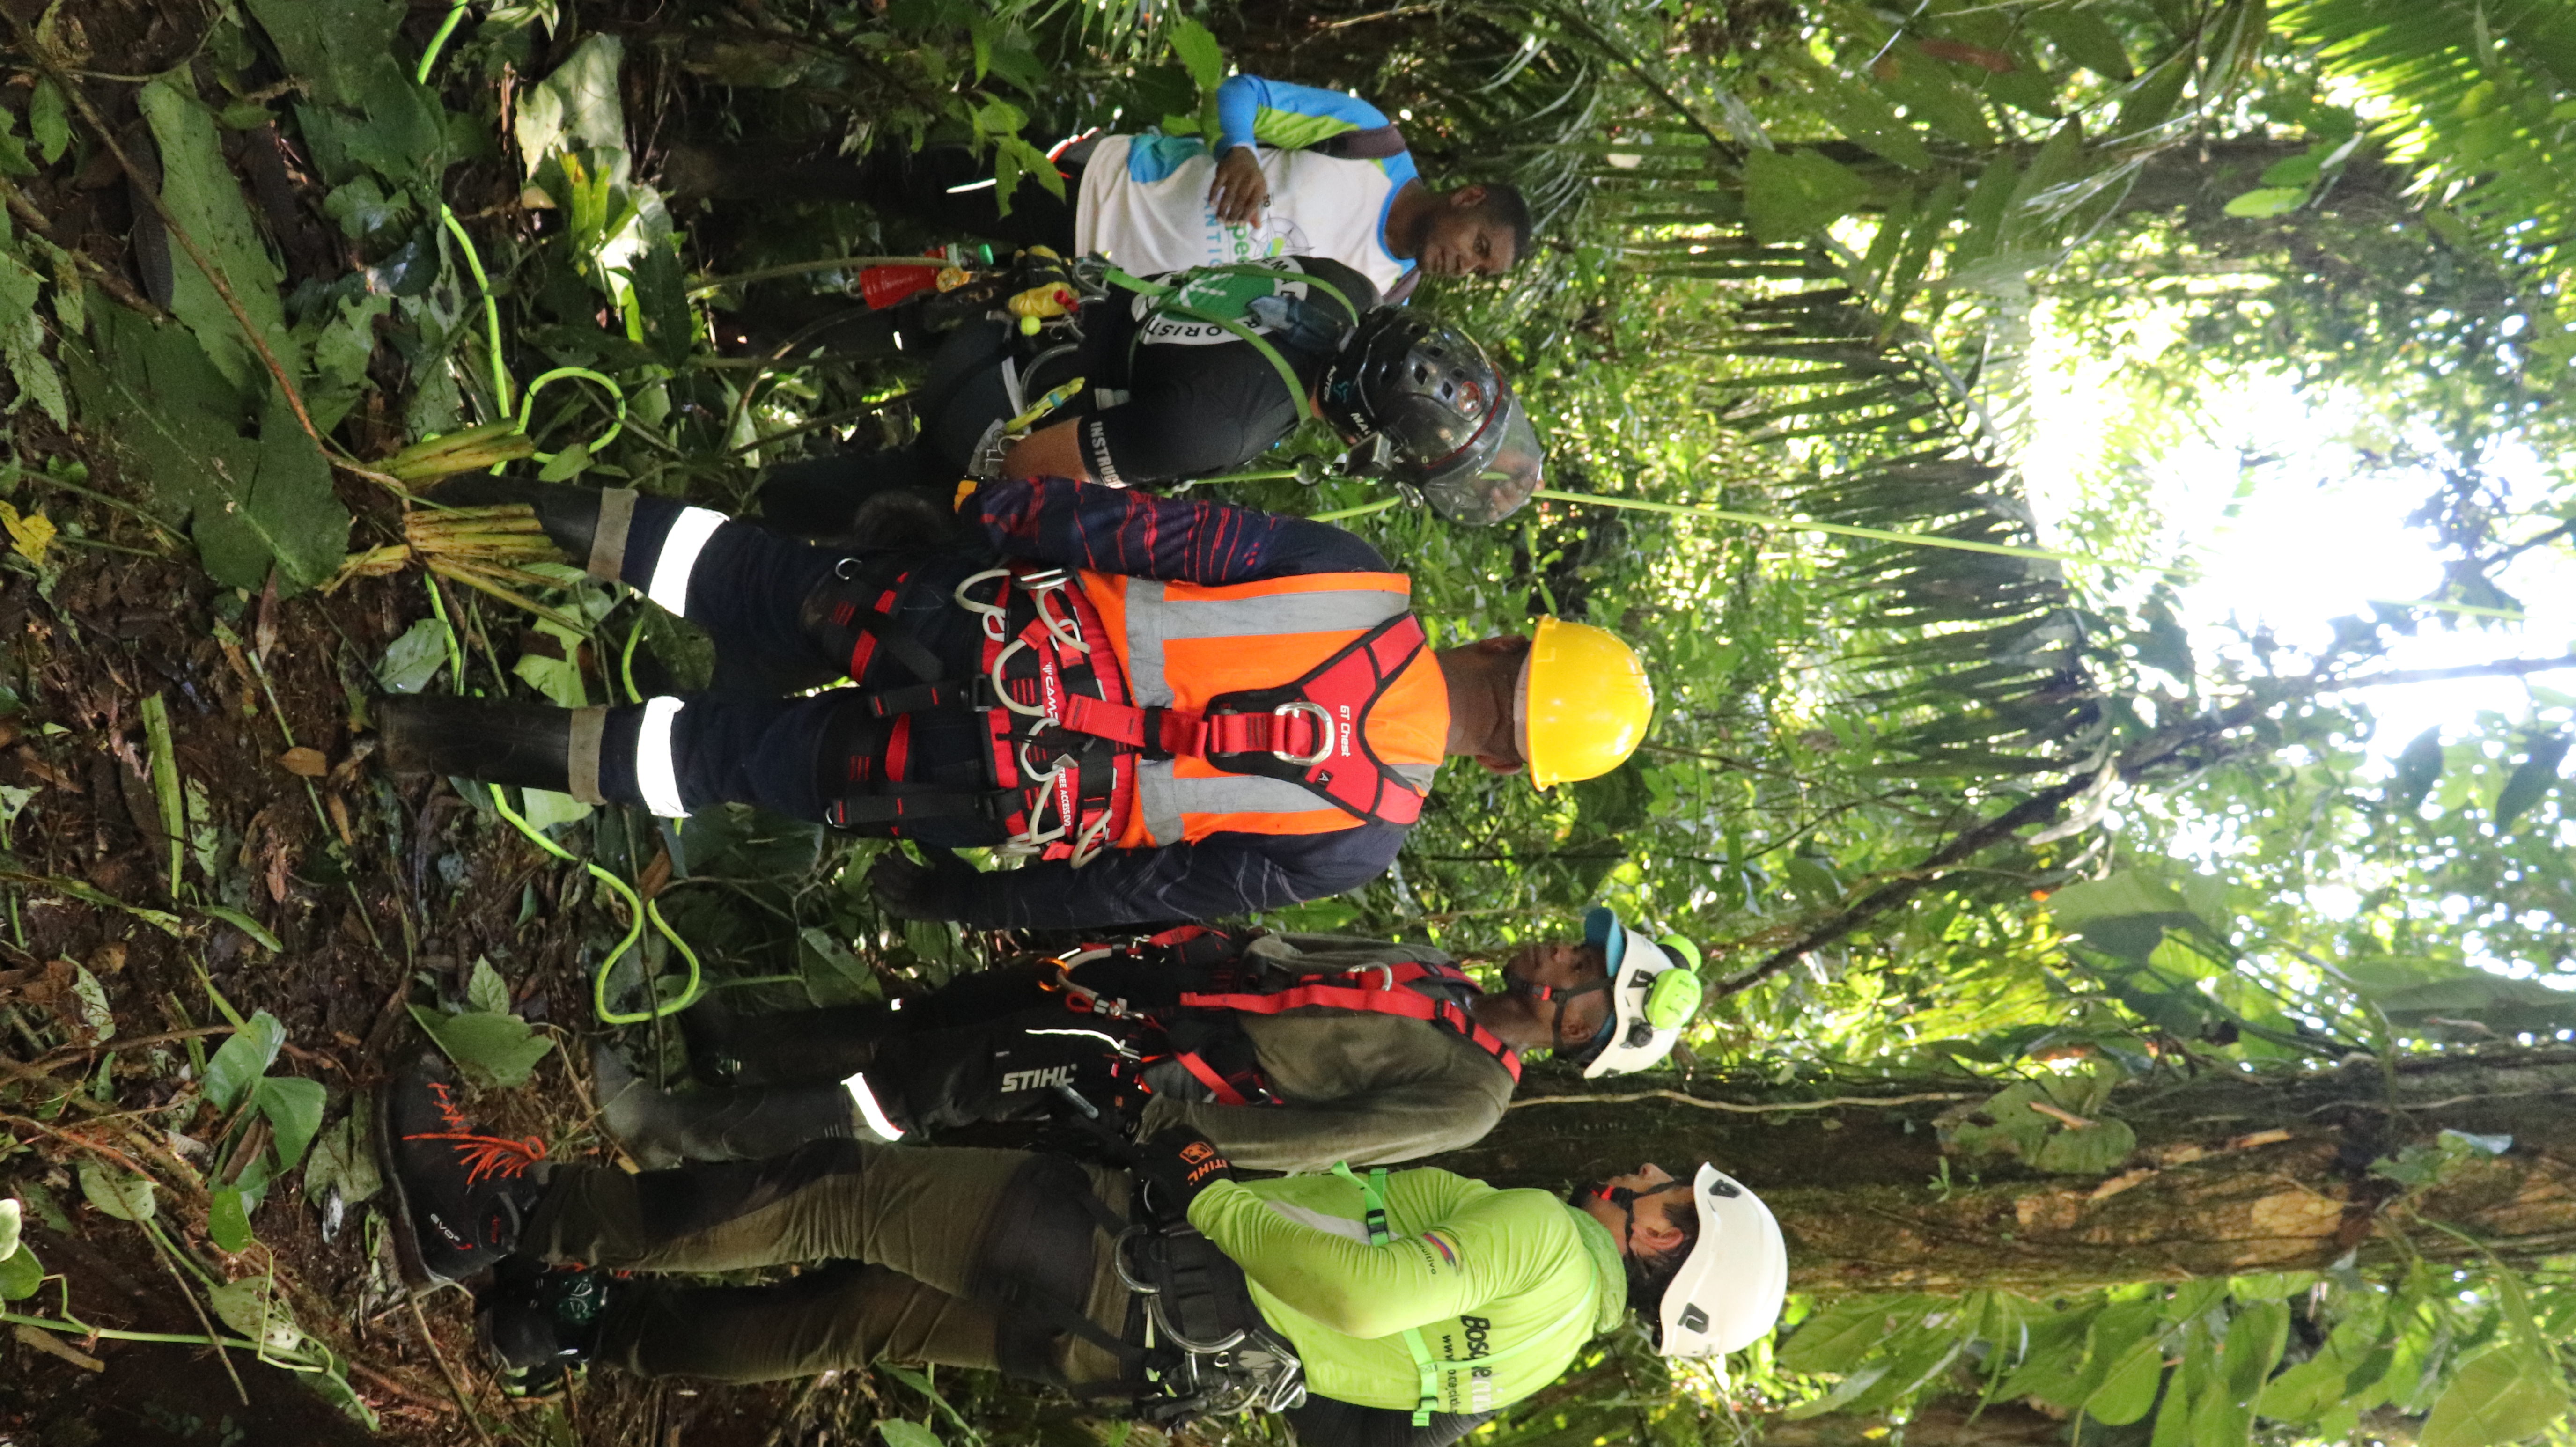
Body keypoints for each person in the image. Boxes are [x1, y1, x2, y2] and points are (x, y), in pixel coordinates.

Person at [374, 1062, 1788, 1447]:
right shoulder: (1544, 1354)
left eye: (1671, 1196)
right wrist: (1257, 1348)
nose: (1651, 1180)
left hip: (1134, 1263)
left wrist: (1217, 1209)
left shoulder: (1547, 1234)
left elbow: (1359, 1297)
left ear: (1663, 1240)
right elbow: (1365, 1444)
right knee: (859, 1321)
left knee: (837, 1203)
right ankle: (569, 1335)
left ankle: (506, 1223)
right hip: (1152, 1357)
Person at [378, 477, 1653, 929]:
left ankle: (443, 512)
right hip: (977, 780)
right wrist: (980, 898)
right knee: (708, 763)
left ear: (1498, 643)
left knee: (735, 571)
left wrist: (982, 512)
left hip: (975, 622)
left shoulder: (1357, 584)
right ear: (1505, 765)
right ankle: (423, 737)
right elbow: (1140, 892)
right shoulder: (1360, 841)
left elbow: (1161, 533)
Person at [597, 906, 1710, 1174]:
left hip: (1163, 1072)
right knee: (940, 1014)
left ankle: (680, 1131)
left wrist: (1165, 1118)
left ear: (1585, 1030)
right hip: (1165, 991)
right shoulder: (1439, 971)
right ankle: (739, 1046)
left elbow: (1316, 1141)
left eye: (1581, 973)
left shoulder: (1472, 1096)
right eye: (1577, 948)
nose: (1560, 956)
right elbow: (1287, 950)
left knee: (929, 1085)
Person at [754, 259, 1545, 540]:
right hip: (997, 395)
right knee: (934, 504)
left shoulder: (1339, 284)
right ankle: (756, 513)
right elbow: (1029, 467)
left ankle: (744, 359)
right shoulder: (1228, 424)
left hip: (1035, 310)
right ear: (1367, 440)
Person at [673, 74, 1533, 303]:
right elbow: (1245, 95)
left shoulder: (1393, 290)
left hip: (1096, 300)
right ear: (1467, 202)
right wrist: (1237, 150)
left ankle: (728, 293)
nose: (1468, 268)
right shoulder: (1372, 142)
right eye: (1481, 248)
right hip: (1090, 195)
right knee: (900, 183)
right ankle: (704, 172)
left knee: (911, 308)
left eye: (1483, 272)